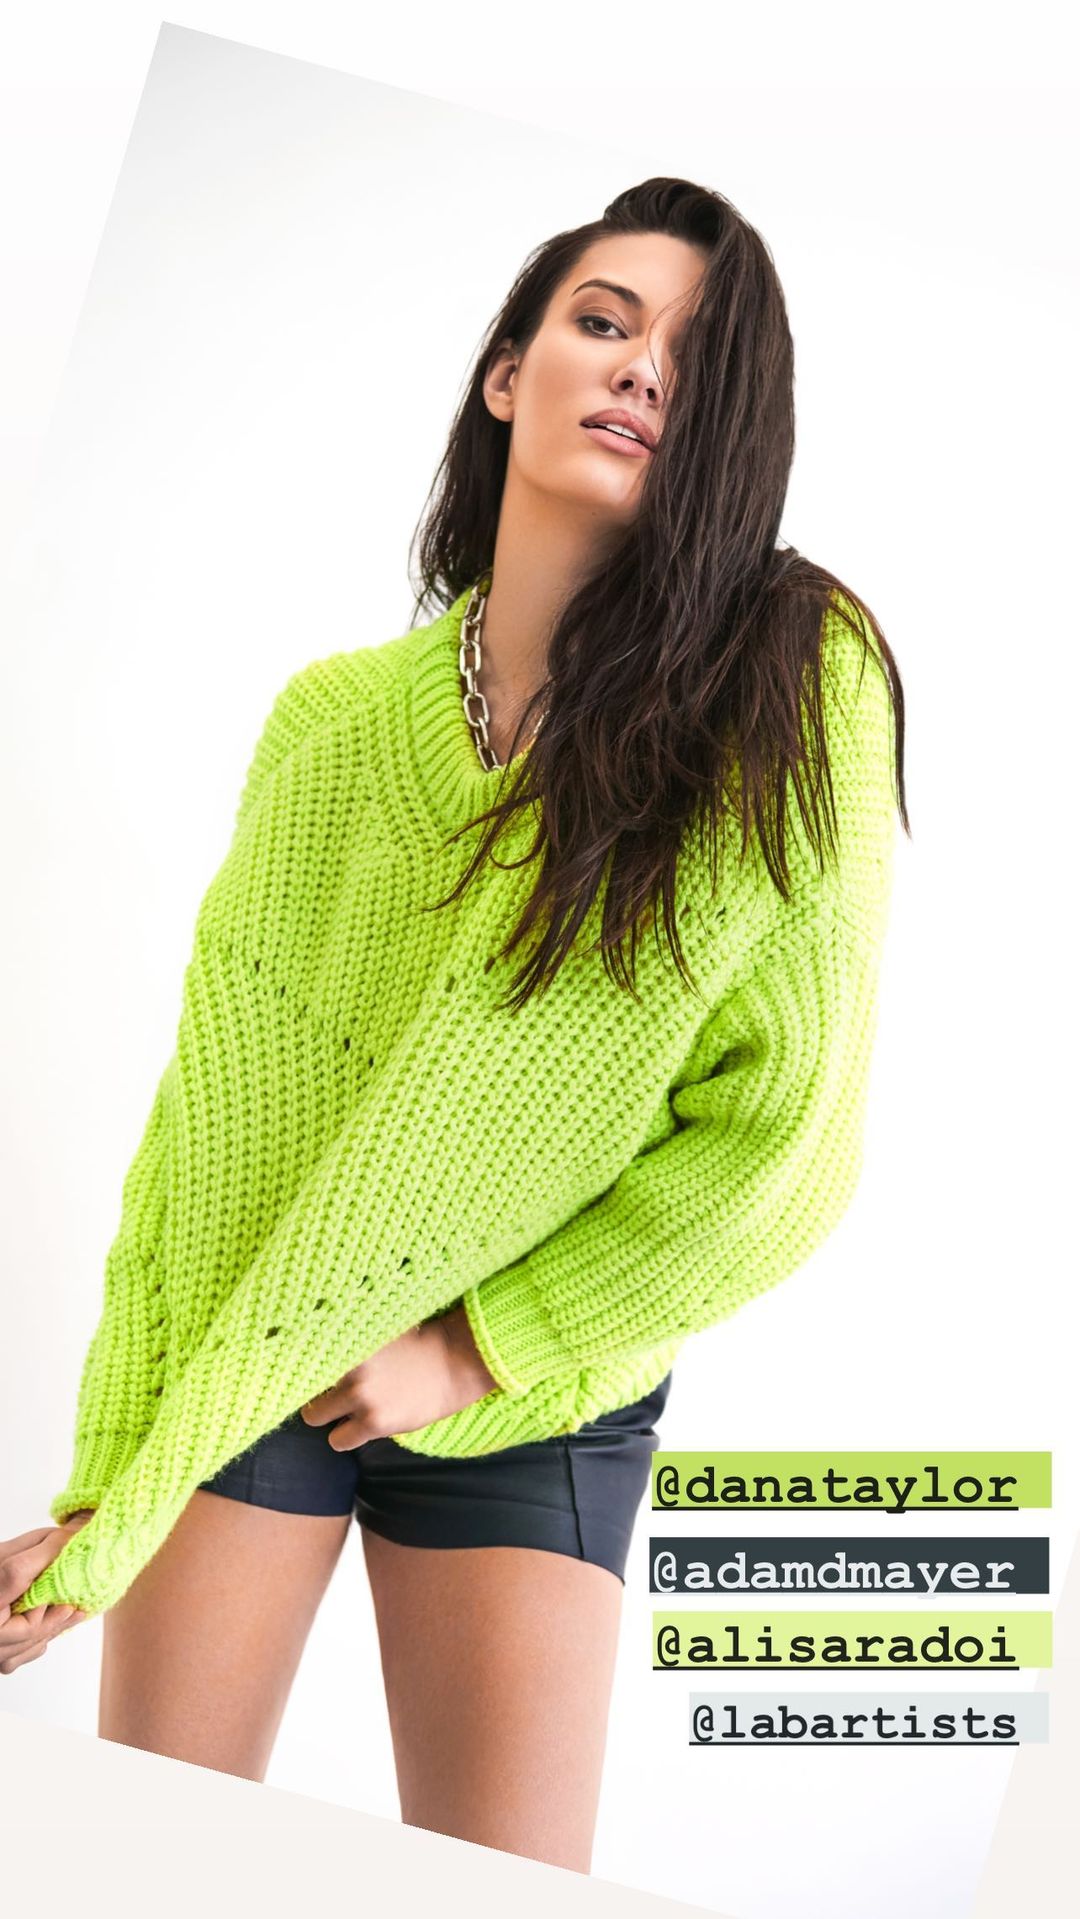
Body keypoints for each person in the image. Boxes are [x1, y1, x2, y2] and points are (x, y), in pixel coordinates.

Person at [1, 175, 908, 1872]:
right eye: (603, 320)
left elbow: (786, 1149)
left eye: (696, 356)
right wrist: (109, 1487)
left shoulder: (795, 686)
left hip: (540, 1385)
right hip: (264, 1349)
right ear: (509, 373)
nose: (641, 367)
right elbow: (211, 1142)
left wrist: (477, 1347)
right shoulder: (332, 724)